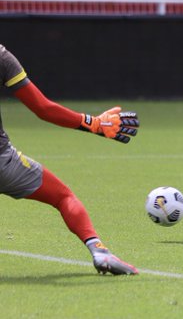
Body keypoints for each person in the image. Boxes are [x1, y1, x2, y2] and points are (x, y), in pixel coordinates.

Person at [0, 44, 139, 274]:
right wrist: (94, 124)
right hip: (5, 164)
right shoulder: (2, 56)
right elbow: (43, 108)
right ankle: (99, 250)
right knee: (63, 196)